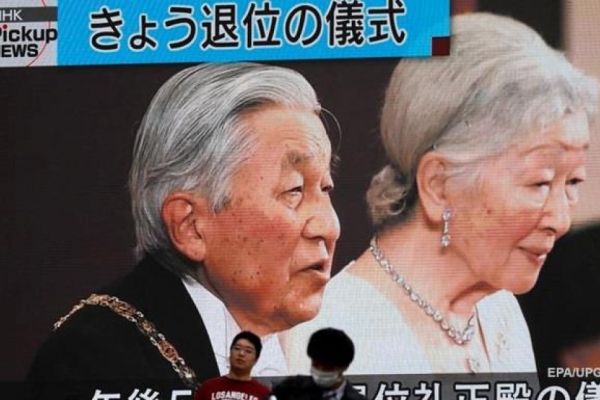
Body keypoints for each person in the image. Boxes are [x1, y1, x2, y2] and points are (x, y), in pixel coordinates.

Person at [287, 13, 599, 374]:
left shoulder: (498, 311)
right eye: (539, 184)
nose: (561, 221)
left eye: (572, 183)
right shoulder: (336, 335)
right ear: (438, 184)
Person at [27, 63, 340, 391]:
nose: (329, 227)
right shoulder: (94, 361)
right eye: (293, 190)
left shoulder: (308, 354)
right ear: (190, 226)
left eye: (326, 188)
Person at [273, 328, 366, 400]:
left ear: (344, 367)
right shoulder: (289, 389)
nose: (320, 371)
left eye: (327, 367)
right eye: (316, 364)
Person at [195, 331, 271, 400]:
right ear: (230, 353)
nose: (241, 353)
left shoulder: (264, 394)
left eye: (248, 351)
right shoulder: (207, 388)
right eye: (237, 348)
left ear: (256, 359)